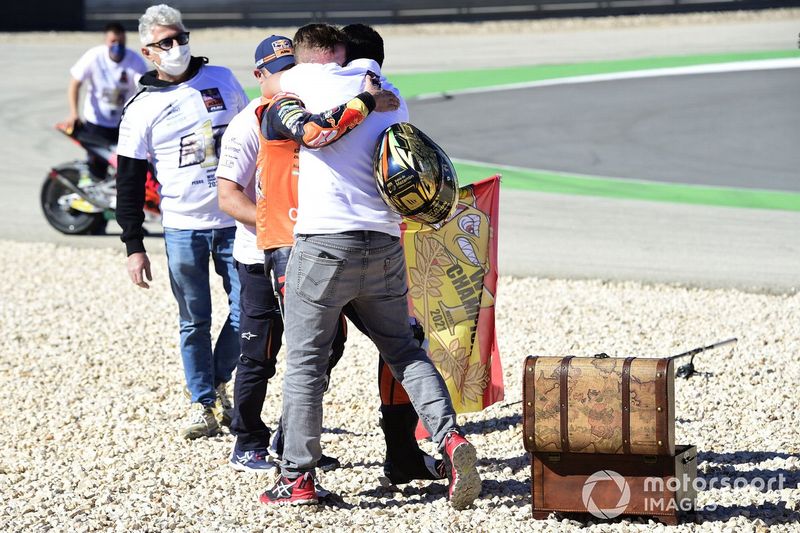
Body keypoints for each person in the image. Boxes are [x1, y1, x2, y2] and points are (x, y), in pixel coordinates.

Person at [259, 23, 481, 510]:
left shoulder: (308, 81)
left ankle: (297, 477)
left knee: (305, 363)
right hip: (382, 242)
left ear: (317, 55)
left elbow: (275, 95)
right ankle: (450, 441)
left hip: (323, 243)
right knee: (403, 350)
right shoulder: (394, 96)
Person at [116, 4, 247, 440]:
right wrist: (133, 245)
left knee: (250, 309)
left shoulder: (223, 79)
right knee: (194, 319)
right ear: (148, 51)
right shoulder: (140, 109)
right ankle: (203, 402)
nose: (177, 48)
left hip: (236, 219)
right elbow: (129, 182)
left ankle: (218, 379)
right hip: (183, 227)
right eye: (166, 43)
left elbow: (256, 139)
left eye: (182, 37)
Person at [66, 21, 148, 179]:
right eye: (113, 42)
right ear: (106, 42)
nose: (117, 45)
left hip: (122, 124)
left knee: (125, 166)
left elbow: (143, 88)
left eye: (121, 42)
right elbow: (74, 83)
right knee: (97, 167)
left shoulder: (135, 61)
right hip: (96, 123)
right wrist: (74, 114)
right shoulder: (94, 56)